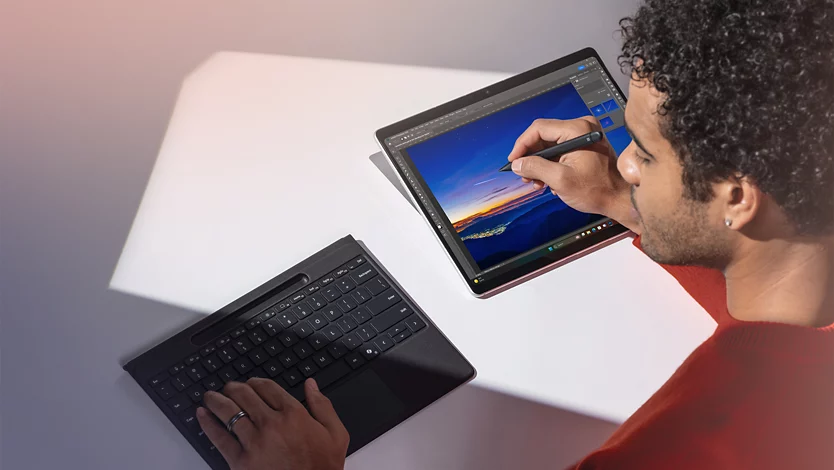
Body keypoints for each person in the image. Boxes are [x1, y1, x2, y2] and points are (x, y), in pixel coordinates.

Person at [195, 0, 834, 468]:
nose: (626, 164)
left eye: (644, 151)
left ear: (737, 196)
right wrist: (626, 203)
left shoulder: (698, 441)